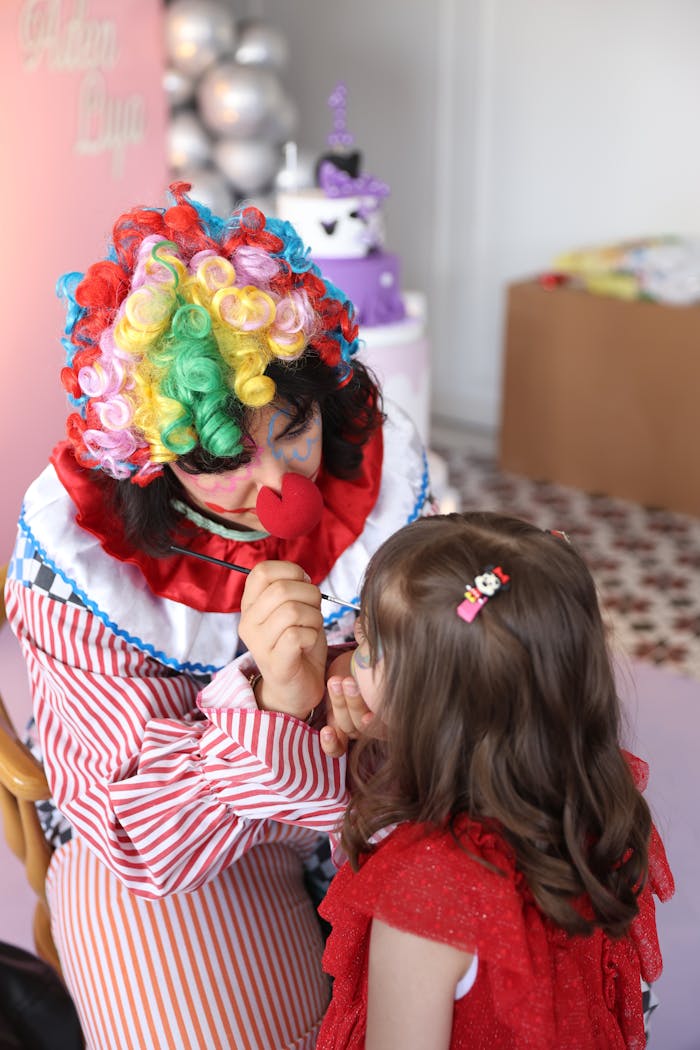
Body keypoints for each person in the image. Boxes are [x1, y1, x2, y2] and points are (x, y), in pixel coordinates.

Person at [4, 182, 430, 1049]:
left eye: (295, 426)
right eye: (224, 458)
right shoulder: (84, 566)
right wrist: (272, 708)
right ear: (154, 460)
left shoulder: (373, 486)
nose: (278, 488)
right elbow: (132, 827)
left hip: (379, 804)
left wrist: (380, 684)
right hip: (173, 845)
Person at [219, 512, 674, 1049]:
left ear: (427, 707)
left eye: (363, 645)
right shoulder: (603, 802)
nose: (346, 659)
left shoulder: (425, 891)